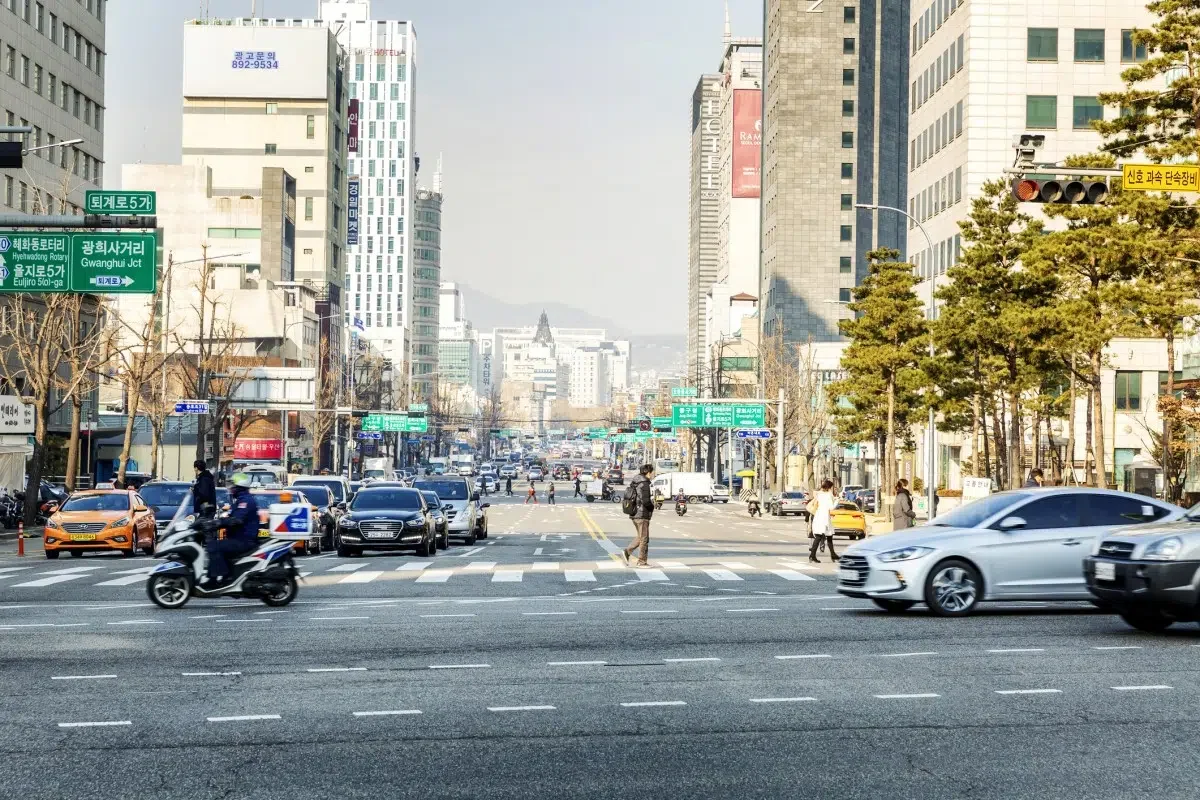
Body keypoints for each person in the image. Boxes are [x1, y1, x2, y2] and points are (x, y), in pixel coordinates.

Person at [203, 473, 260, 590]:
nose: (231, 489)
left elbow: (237, 520)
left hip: (244, 540)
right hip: (238, 538)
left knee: (214, 546)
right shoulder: (240, 500)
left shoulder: (245, 501)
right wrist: (214, 522)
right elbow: (230, 517)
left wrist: (218, 523)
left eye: (233, 486)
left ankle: (216, 581)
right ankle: (226, 576)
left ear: (239, 487)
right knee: (218, 545)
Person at [622, 464, 656, 566]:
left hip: (634, 513)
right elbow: (645, 501)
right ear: (648, 472)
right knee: (644, 539)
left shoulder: (635, 482)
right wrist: (652, 507)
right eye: (652, 472)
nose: (653, 474)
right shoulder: (644, 484)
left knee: (640, 537)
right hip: (642, 514)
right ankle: (642, 561)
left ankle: (627, 552)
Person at [808, 479, 839, 564]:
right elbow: (831, 507)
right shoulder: (828, 495)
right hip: (824, 517)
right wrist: (837, 500)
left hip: (819, 516)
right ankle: (812, 556)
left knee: (826, 536)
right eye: (832, 487)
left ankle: (832, 554)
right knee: (823, 537)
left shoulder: (820, 494)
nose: (832, 489)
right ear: (829, 487)